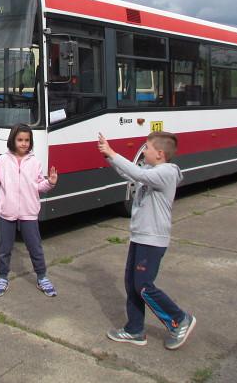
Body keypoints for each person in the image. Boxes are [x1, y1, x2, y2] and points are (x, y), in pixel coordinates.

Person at [97, 131, 196, 350]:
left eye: (147, 148)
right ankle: (135, 330)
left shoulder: (167, 173)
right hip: (140, 236)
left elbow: (138, 174)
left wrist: (113, 152)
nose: (143, 151)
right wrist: (108, 156)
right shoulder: (151, 170)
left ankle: (179, 319)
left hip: (153, 241)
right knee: (131, 284)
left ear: (160, 154)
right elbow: (131, 174)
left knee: (143, 285)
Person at [0, 123, 58, 298]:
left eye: (27, 140)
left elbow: (39, 186)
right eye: (20, 140)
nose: (23, 143)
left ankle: (42, 277)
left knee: (35, 247)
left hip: (29, 212)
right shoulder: (3, 160)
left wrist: (50, 182)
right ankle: (2, 278)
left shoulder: (35, 162)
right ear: (13, 140)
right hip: (7, 212)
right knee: (4, 247)